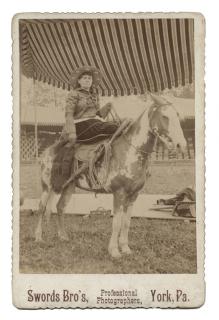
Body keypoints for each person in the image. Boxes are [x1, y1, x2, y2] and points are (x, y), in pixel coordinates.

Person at [51, 66, 119, 192]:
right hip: (79, 126)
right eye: (85, 78)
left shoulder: (94, 95)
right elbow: (69, 114)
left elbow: (97, 115)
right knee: (113, 127)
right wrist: (71, 132)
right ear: (79, 81)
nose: (88, 80)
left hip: (93, 124)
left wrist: (106, 108)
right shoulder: (74, 94)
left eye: (90, 78)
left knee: (116, 126)